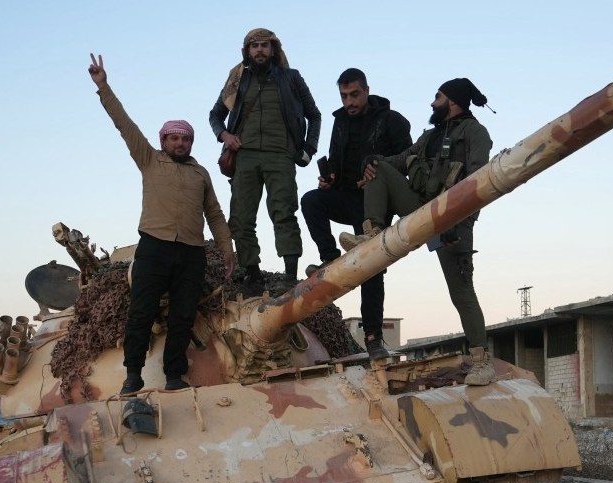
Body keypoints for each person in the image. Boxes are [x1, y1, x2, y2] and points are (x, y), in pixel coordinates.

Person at [88, 53, 236, 395]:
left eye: (185, 139)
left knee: (183, 317)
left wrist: (227, 250)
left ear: (191, 143)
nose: (180, 143)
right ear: (163, 141)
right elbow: (124, 125)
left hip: (191, 253)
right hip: (153, 248)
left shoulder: (201, 173)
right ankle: (133, 374)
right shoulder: (149, 159)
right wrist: (104, 87)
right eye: (174, 138)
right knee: (141, 313)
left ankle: (174, 374)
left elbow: (214, 214)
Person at [340, 78, 496, 385]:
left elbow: (479, 181)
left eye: (437, 97)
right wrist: (372, 162)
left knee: (461, 291)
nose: (431, 103)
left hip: (453, 218)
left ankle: (482, 361)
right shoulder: (430, 136)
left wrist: (456, 218)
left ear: (453, 100)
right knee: (379, 167)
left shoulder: (476, 134)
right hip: (420, 209)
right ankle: (371, 233)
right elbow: (397, 162)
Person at [299, 68, 411, 359]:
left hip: (374, 204)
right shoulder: (339, 122)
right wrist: (329, 178)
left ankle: (374, 339)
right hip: (345, 196)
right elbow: (336, 160)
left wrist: (379, 165)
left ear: (367, 90)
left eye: (354, 94)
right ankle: (330, 258)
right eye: (344, 96)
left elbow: (410, 161)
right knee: (311, 201)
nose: (349, 101)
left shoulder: (392, 120)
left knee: (370, 268)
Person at [209, 28, 320, 290]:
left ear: (274, 50)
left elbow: (314, 114)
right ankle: (252, 273)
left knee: (283, 213)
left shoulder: (291, 78)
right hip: (244, 156)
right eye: (254, 45)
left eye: (264, 45)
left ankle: (290, 274)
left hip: (280, 154)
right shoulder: (238, 80)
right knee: (241, 218)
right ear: (247, 51)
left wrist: (308, 149)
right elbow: (215, 115)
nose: (259, 50)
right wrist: (225, 135)